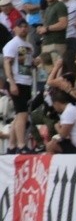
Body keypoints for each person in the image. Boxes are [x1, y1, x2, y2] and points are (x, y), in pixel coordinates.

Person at [3, 18, 34, 154]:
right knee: (22, 114)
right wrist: (12, 82)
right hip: (17, 81)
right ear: (14, 29)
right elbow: (7, 64)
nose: (23, 29)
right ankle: (22, 145)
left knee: (18, 115)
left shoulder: (28, 45)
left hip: (26, 81)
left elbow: (26, 63)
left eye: (25, 26)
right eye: (20, 27)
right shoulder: (12, 44)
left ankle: (11, 145)